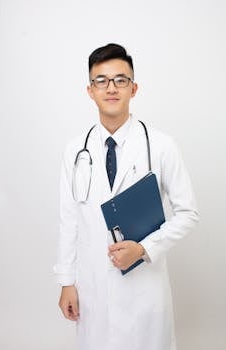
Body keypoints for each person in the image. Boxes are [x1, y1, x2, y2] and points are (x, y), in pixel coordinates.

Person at [54, 43, 199, 350]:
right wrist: (67, 281)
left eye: (121, 80)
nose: (111, 88)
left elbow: (188, 213)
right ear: (90, 90)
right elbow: (69, 220)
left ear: (134, 89)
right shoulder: (75, 150)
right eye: (101, 81)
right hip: (93, 287)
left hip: (144, 287)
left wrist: (144, 249)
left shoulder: (161, 145)